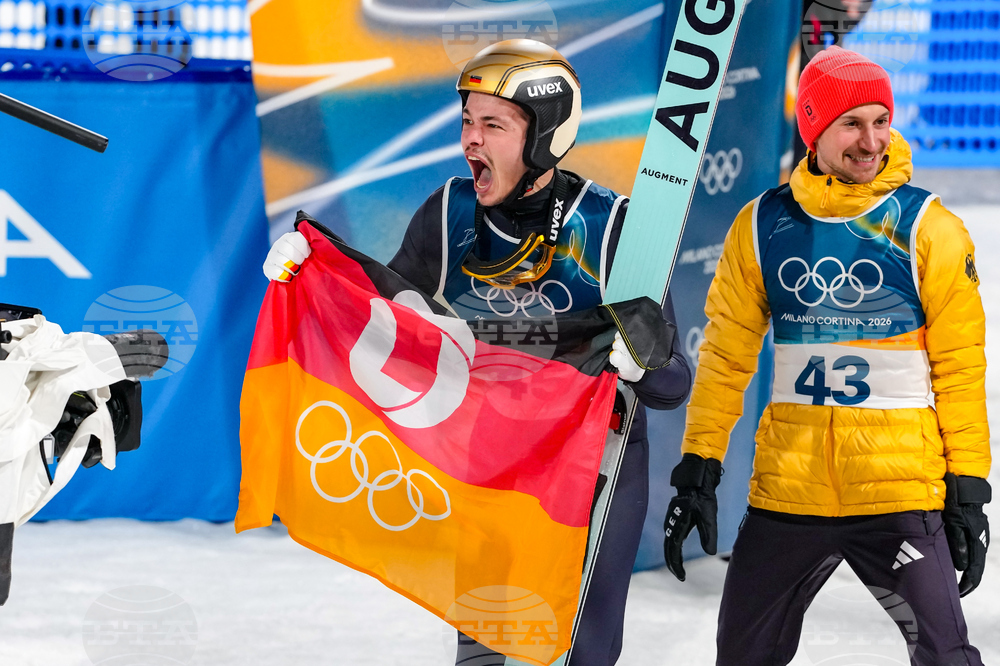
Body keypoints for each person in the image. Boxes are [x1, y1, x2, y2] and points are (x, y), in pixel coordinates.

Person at [264, 39, 692, 665]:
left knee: (581, 651)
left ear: (544, 134)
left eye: (493, 124)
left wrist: (645, 358)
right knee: (486, 650)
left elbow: (673, 385)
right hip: (493, 466)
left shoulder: (613, 227)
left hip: (592, 473)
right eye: (467, 120)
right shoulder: (448, 213)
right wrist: (315, 271)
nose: (470, 139)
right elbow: (388, 323)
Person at [662, 46, 991, 666]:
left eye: (881, 121)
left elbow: (960, 368)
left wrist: (969, 489)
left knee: (947, 657)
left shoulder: (929, 228)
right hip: (788, 497)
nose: (871, 142)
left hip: (898, 495)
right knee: (741, 658)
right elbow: (726, 357)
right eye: (851, 124)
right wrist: (698, 467)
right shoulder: (761, 225)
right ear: (813, 129)